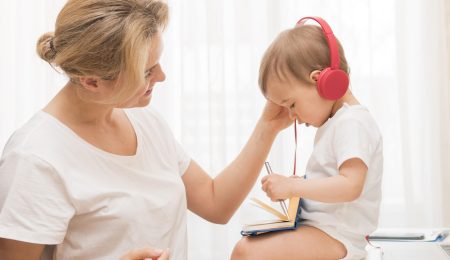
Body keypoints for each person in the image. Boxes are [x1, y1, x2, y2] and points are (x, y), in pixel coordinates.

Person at [0, 1, 293, 259]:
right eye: (146, 71)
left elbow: (216, 204)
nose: (162, 76)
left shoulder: (145, 122)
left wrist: (268, 126)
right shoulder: (35, 158)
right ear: (91, 81)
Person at [231, 17, 383, 260]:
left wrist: (293, 186)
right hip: (325, 232)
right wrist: (299, 184)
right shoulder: (337, 123)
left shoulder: (353, 122)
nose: (291, 115)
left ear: (319, 81)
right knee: (247, 247)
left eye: (291, 104)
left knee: (247, 253)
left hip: (337, 237)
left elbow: (351, 186)